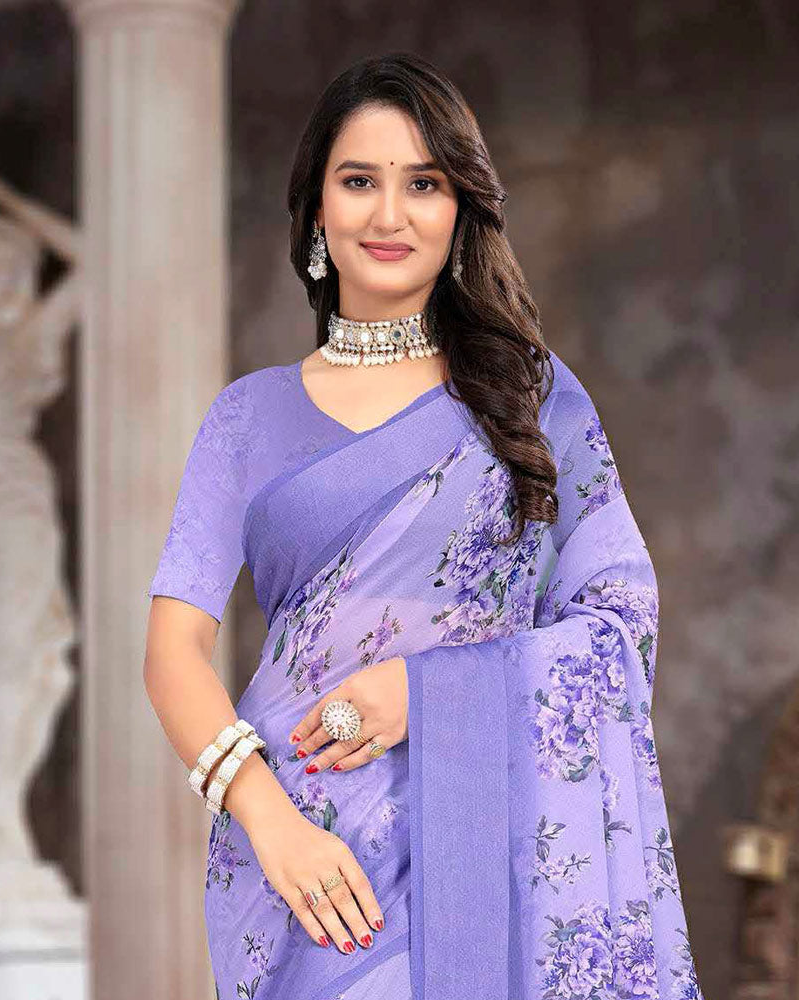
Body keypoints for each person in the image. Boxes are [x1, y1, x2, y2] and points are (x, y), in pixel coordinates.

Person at [143, 51, 705, 1000]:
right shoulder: (247, 417)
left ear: (460, 210)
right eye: (359, 181)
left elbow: (622, 626)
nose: (390, 215)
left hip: (489, 840)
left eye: (424, 184)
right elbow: (172, 653)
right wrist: (269, 822)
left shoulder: (532, 399)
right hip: (306, 863)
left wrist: (423, 692)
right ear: (317, 209)